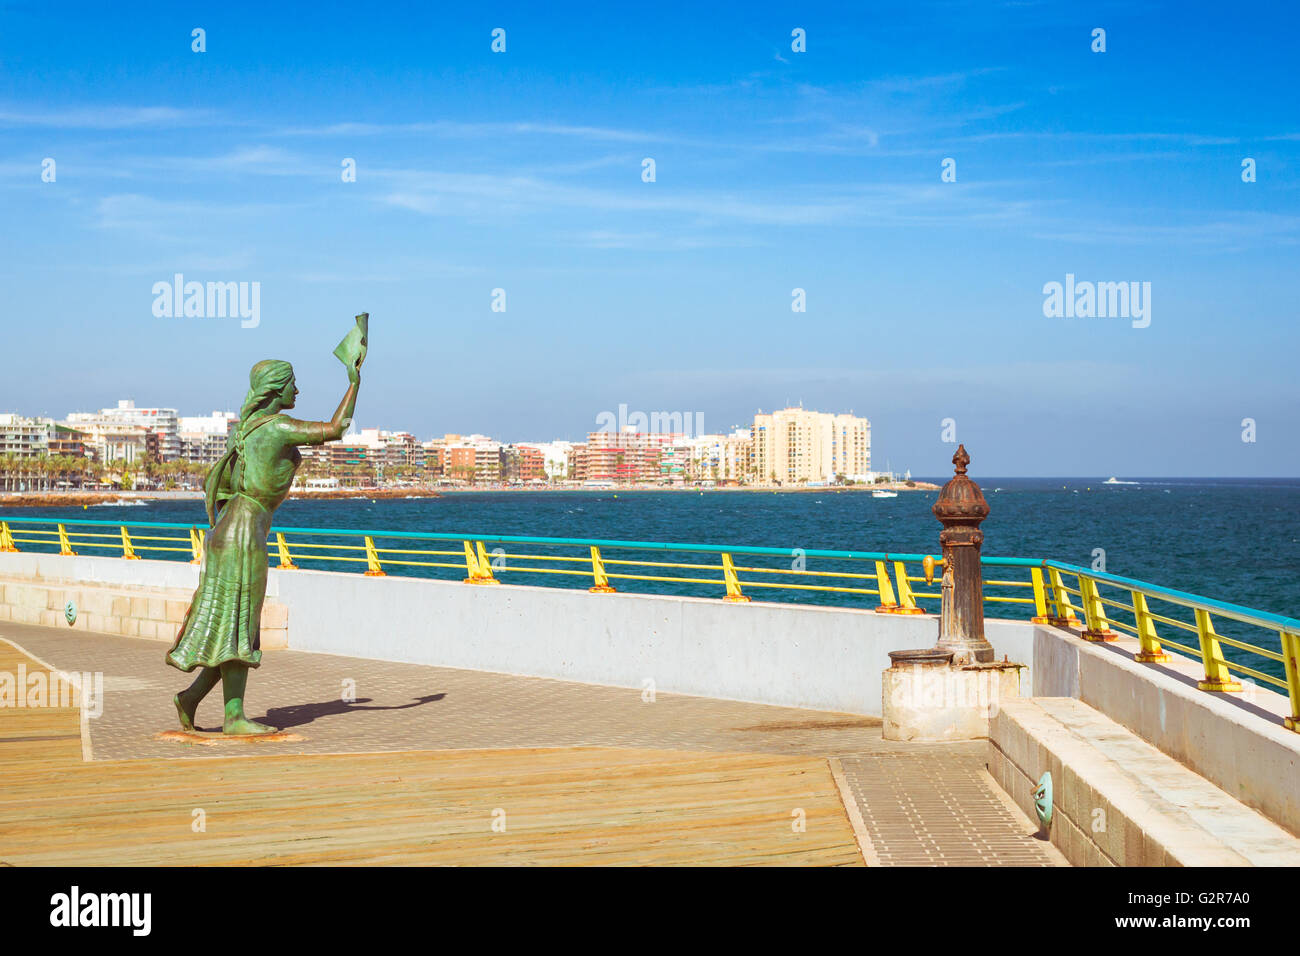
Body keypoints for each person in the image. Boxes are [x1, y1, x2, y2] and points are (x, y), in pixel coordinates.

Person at [168, 349, 361, 734]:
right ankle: (234, 718)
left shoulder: (250, 428)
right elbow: (336, 428)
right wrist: (354, 381)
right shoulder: (275, 427)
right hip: (244, 533)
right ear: (276, 388)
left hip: (230, 529)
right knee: (240, 625)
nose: (298, 389)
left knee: (231, 626)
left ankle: (191, 698)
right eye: (292, 383)